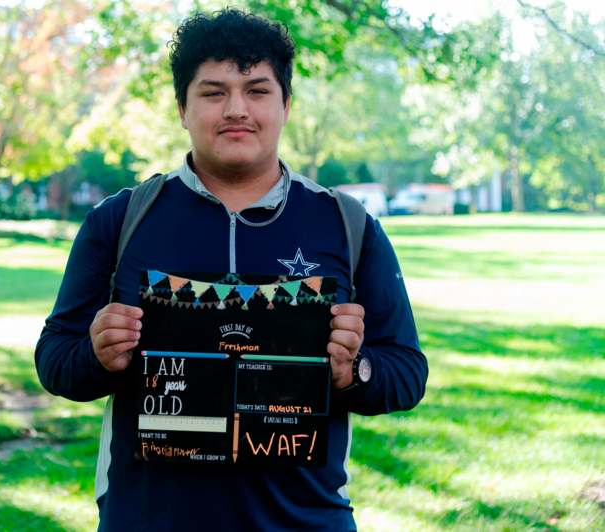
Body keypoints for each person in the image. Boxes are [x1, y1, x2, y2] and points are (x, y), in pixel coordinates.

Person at [35, 9, 427, 531]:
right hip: (148, 519)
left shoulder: (348, 226)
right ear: (182, 107)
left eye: (258, 91)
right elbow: (55, 358)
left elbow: (406, 372)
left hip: (303, 521)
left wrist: (353, 371)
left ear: (286, 105)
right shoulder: (121, 221)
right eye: (214, 92)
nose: (236, 109)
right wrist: (96, 355)